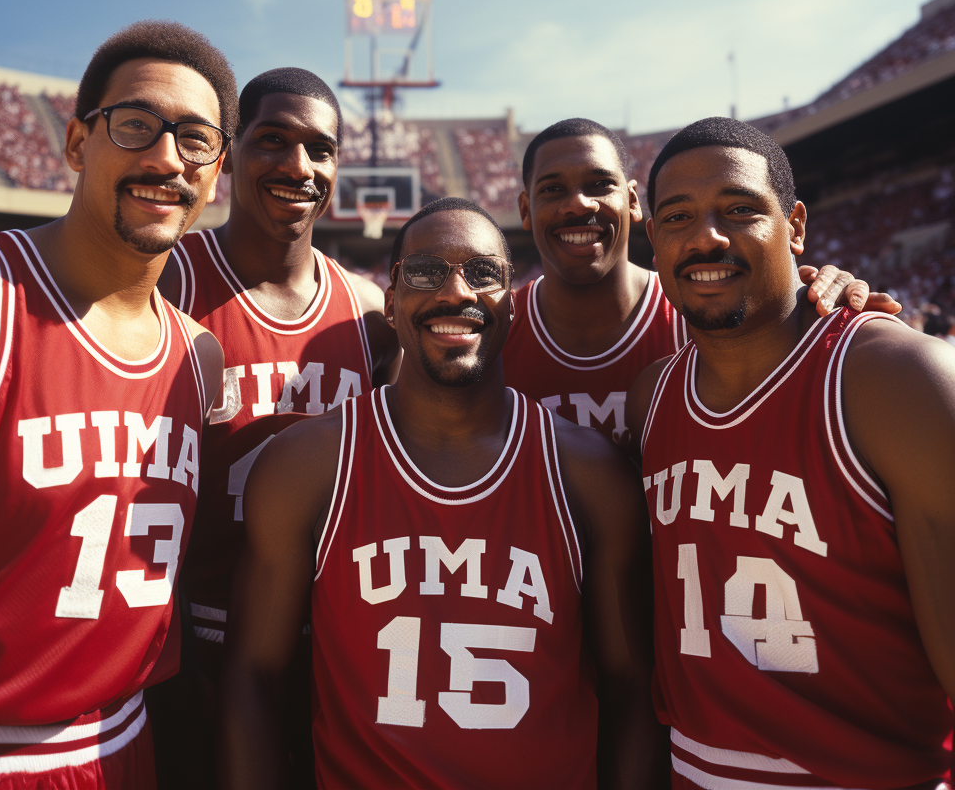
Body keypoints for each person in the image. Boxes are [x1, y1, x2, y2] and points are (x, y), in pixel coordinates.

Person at [221, 197, 665, 789]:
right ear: (391, 301)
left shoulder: (587, 473)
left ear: (513, 301)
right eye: (427, 273)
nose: (456, 292)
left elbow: (632, 689)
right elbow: (254, 676)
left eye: (483, 274)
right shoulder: (307, 465)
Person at [0, 20, 234, 787]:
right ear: (75, 145)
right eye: (135, 125)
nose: (166, 157)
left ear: (216, 170)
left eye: (195, 139)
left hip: (123, 747)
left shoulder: (199, 358)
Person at [626, 117, 954, 787]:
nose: (707, 237)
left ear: (795, 225)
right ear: (653, 240)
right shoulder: (652, 397)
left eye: (739, 210)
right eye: (679, 217)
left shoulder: (895, 379)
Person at [149, 67, 398, 787]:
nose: (298, 165)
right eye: (273, 141)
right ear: (228, 153)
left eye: (319, 148)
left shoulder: (370, 315)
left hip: (330, 649)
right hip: (184, 640)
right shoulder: (167, 281)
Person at [505, 118, 898, 448]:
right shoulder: (490, 331)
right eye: (553, 188)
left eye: (600, 184)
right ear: (525, 209)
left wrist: (817, 300)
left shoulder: (705, 308)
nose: (578, 204)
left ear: (632, 201)